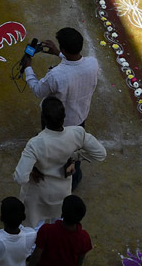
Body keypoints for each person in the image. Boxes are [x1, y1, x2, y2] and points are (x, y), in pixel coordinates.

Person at [14, 97, 106, 227]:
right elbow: (100, 154)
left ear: (44, 119)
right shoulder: (77, 133)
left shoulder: (35, 143)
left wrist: (32, 173)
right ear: (64, 117)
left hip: (39, 194)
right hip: (62, 193)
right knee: (57, 225)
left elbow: (20, 178)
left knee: (34, 228)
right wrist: (76, 156)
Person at [27, 196, 92, 266]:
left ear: (62, 213)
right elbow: (81, 257)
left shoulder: (46, 230)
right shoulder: (84, 237)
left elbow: (37, 254)